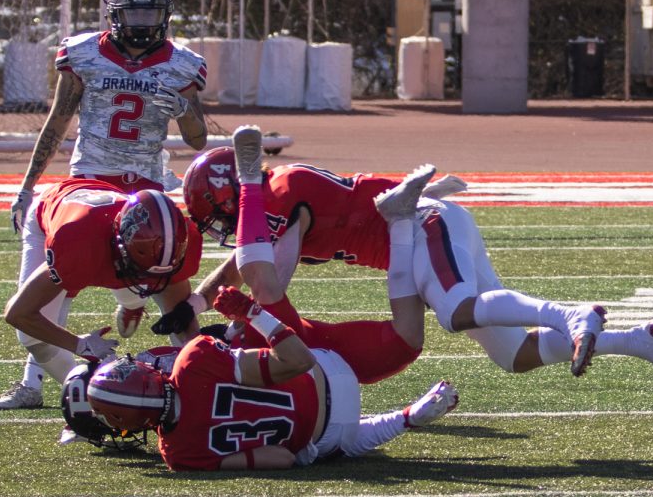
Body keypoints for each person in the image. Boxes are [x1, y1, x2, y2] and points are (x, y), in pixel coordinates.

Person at [166, 139, 653, 396]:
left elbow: (268, 278)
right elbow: (246, 258)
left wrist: (246, 317)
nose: (225, 232)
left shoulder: (278, 194)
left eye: (224, 218)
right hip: (416, 242)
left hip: (421, 225)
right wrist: (194, 303)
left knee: (458, 311)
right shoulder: (270, 207)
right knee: (514, 355)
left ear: (238, 197)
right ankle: (642, 341)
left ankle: (571, 313)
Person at [80, 126, 458, 470]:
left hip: (322, 425)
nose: (218, 228)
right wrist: (215, 311)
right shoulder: (192, 366)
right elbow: (246, 272)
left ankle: (396, 224)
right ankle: (402, 223)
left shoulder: (180, 452)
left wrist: (229, 317)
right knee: (403, 342)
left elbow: (266, 275)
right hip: (311, 359)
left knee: (264, 284)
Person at [0, 0, 208, 408]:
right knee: (54, 288)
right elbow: (57, 123)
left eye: (151, 10)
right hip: (87, 184)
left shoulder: (181, 63)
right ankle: (41, 382)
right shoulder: (84, 53)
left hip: (145, 191)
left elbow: (197, 139)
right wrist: (27, 186)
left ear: (165, 14)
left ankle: (130, 312)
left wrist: (185, 108)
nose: (144, 20)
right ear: (115, 13)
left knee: (147, 271)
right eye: (135, 10)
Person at [0, 178, 203, 411]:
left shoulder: (183, 239)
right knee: (31, 337)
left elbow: (183, 320)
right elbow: (19, 313)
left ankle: (132, 304)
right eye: (139, 268)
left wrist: (199, 374)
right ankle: (91, 395)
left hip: (105, 216)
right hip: (51, 212)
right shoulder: (78, 243)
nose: (148, 277)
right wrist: (79, 345)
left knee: (161, 300)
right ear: (120, 244)